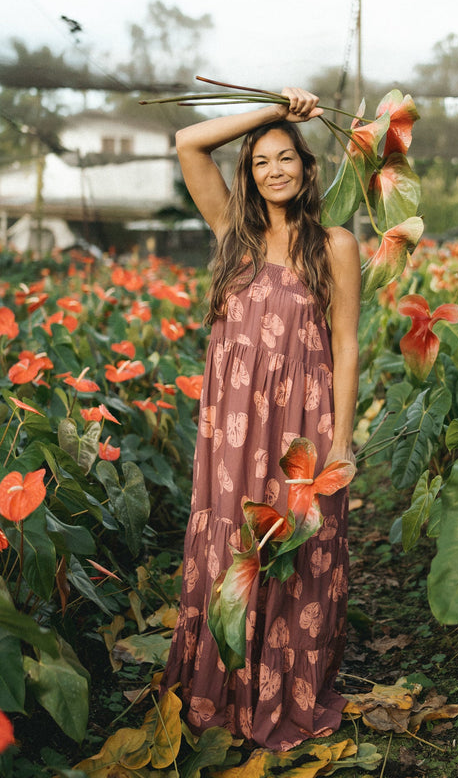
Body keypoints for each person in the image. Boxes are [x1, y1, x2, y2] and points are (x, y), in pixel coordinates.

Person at [160, 88, 360, 750]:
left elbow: (346, 344)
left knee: (297, 553)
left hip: (302, 426)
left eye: (286, 158)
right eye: (260, 162)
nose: (275, 171)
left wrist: (341, 440)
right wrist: (277, 109)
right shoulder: (233, 231)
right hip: (234, 428)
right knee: (232, 548)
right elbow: (189, 141)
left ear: (307, 166)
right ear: (248, 173)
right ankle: (225, 692)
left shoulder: (333, 244)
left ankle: (283, 695)